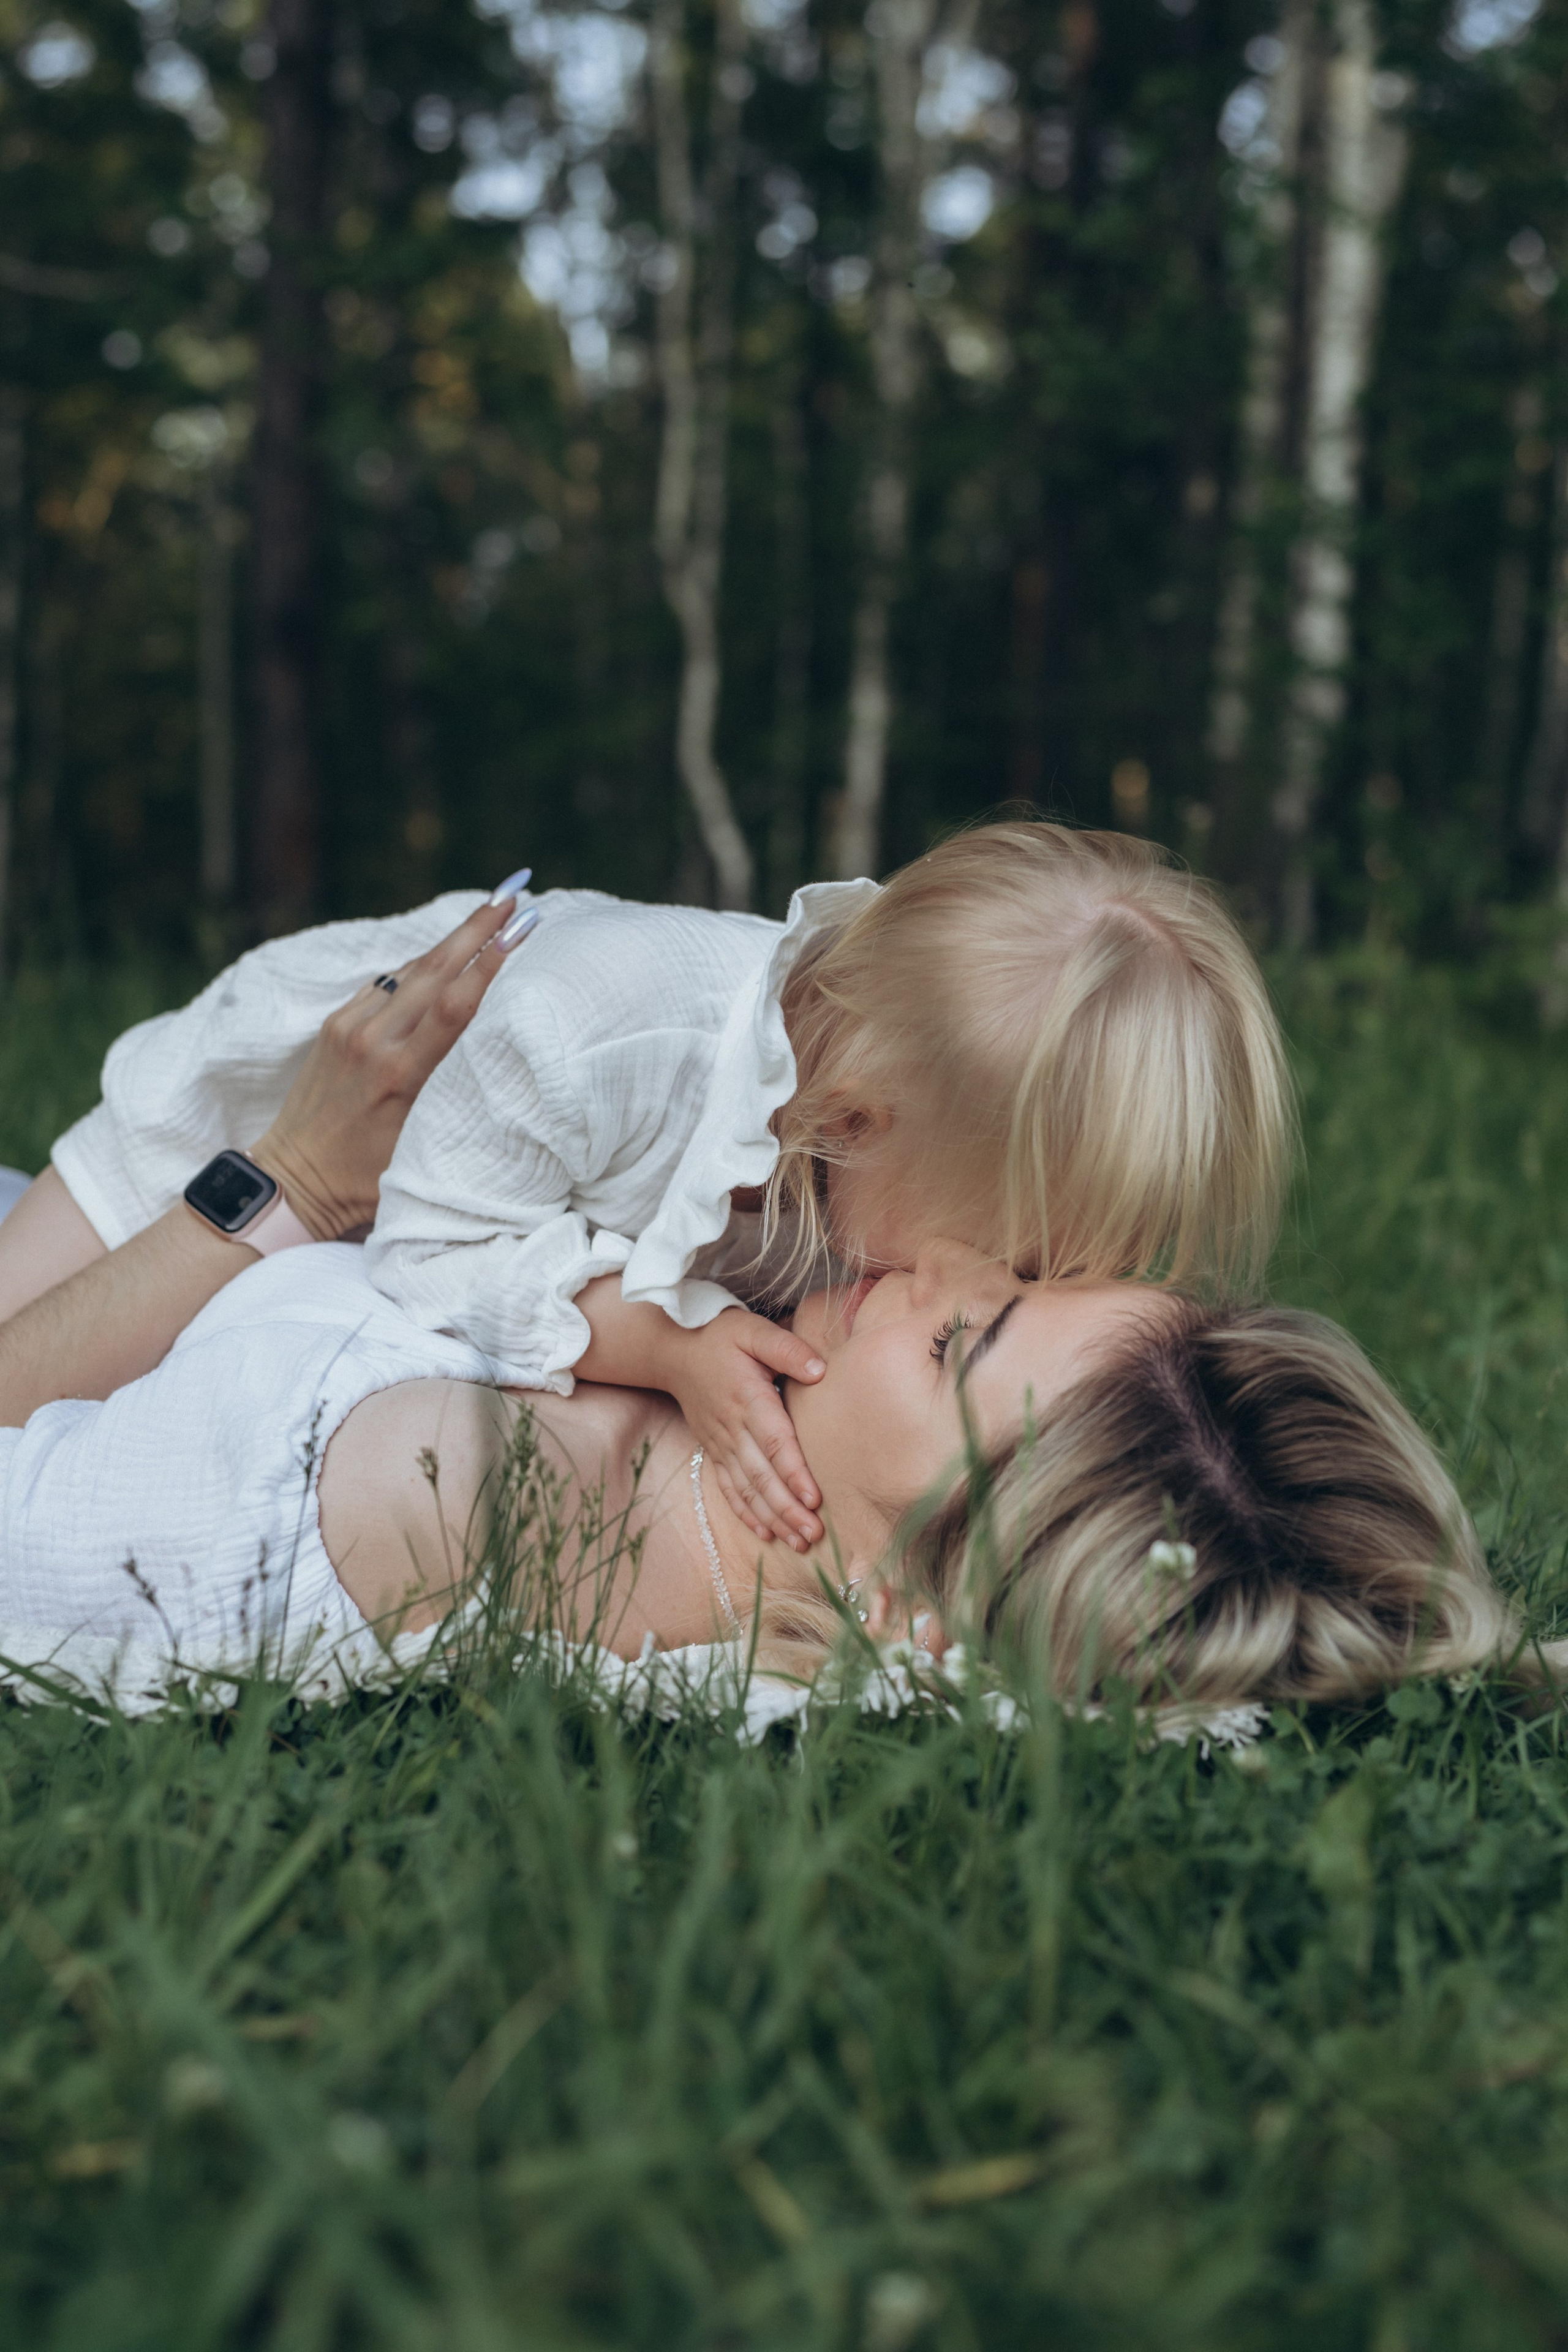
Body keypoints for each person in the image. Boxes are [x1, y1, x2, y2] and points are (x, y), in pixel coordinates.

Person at [0, 823, 1292, 1567]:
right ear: (849, 1126)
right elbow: (432, 1246)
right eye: (1016, 1245)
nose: (981, 1282)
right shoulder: (593, 1034)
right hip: (239, 1133)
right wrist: (659, 1338)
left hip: (421, 1212)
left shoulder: (872, 1144)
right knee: (24, 1362)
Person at [0, 1219, 1542, 1713]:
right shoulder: (743, 1334)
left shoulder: (444, 1490)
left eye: (954, 1347)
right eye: (1009, 1264)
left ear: (921, 1592)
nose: (925, 1259)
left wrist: (274, 1187)